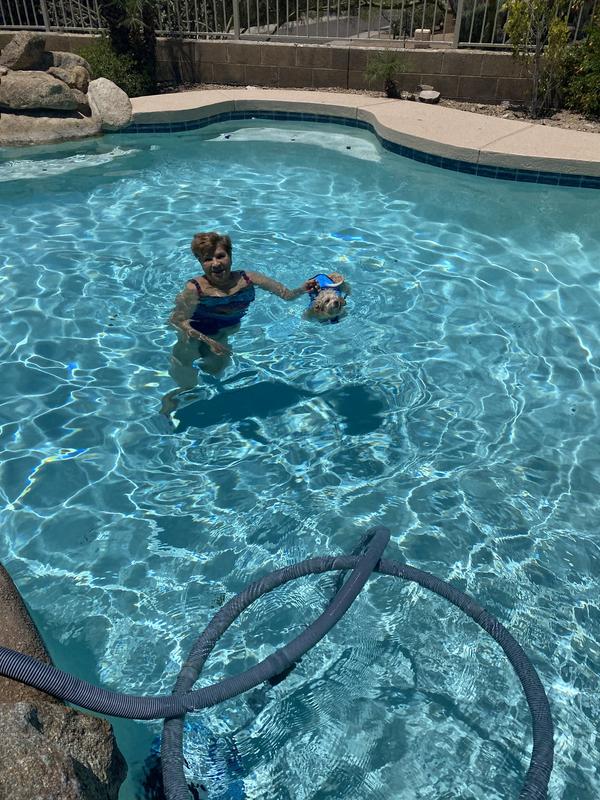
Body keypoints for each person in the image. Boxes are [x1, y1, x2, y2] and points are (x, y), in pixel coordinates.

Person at [163, 231, 310, 412]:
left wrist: (304, 288)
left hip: (223, 331)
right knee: (186, 371)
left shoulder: (249, 279)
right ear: (200, 262)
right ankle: (173, 401)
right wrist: (208, 341)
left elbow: (287, 295)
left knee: (216, 370)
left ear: (230, 256)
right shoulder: (195, 288)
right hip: (193, 332)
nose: (215, 264)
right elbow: (177, 321)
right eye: (207, 259)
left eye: (220, 256)